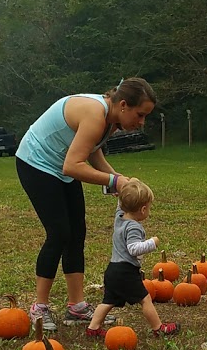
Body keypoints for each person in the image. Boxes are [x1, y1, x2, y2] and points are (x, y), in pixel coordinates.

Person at [15, 77, 156, 331]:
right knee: (59, 233)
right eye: (140, 114)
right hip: (36, 163)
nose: (142, 122)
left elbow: (91, 150)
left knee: (77, 233)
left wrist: (115, 181)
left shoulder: (111, 120)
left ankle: (76, 306)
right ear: (123, 104)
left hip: (61, 167)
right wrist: (115, 180)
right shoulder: (95, 114)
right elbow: (73, 165)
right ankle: (39, 308)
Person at [85, 178, 180, 339]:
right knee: (145, 299)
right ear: (143, 209)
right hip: (126, 271)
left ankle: (93, 328)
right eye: (149, 208)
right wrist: (152, 242)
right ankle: (158, 328)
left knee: (108, 301)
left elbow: (119, 205)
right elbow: (134, 249)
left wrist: (127, 186)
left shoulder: (119, 217)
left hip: (113, 270)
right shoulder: (134, 227)